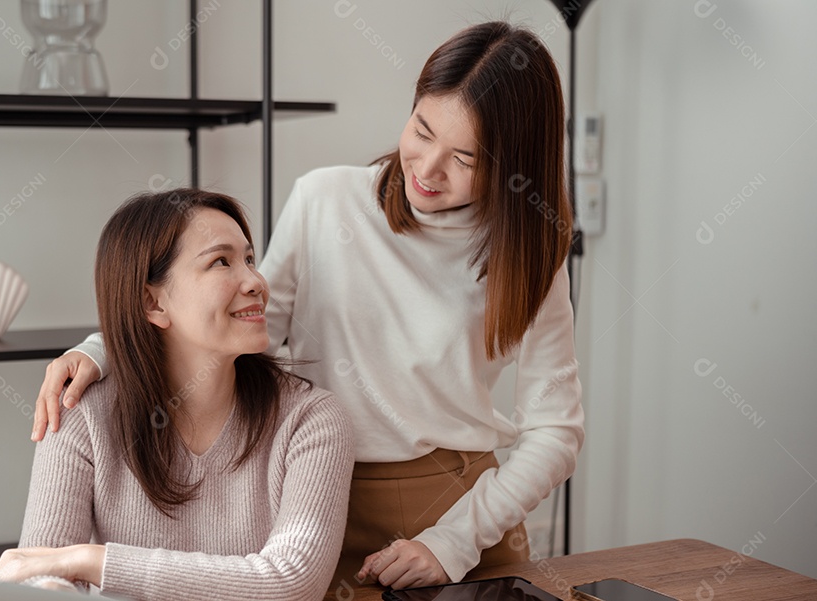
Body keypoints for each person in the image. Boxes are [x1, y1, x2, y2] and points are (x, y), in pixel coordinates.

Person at [30, 20, 584, 593]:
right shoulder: (327, 200)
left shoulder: (532, 251)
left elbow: (556, 431)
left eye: (465, 159)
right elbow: (237, 321)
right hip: (323, 496)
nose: (426, 168)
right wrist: (104, 347)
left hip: (467, 516)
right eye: (421, 130)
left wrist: (454, 541)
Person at [0, 189, 355, 600]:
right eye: (221, 262)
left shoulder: (312, 420)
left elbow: (291, 584)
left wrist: (92, 562)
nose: (256, 282)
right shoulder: (79, 411)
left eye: (249, 259)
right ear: (153, 302)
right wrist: (60, 577)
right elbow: (39, 578)